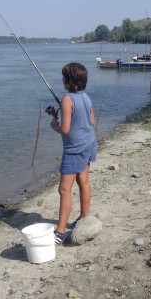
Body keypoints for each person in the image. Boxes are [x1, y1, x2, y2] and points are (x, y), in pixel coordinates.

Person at [50, 63, 97, 244]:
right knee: (83, 182)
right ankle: (84, 218)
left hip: (74, 150)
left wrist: (55, 125)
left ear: (69, 81)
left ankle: (60, 231)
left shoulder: (67, 99)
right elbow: (91, 121)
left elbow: (66, 129)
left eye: (64, 78)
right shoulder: (85, 97)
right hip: (89, 144)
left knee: (64, 189)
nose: (62, 80)